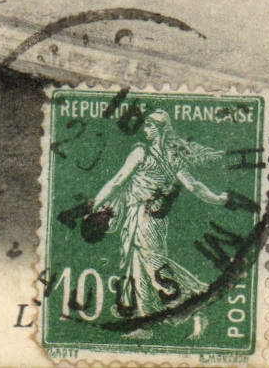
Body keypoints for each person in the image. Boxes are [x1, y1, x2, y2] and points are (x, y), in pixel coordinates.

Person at [89, 110, 228, 331]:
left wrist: (94, 204)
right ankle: (143, 323)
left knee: (154, 265)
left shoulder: (140, 152)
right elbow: (193, 186)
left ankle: (196, 301)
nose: (144, 131)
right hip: (146, 217)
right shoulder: (173, 158)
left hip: (144, 217)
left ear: (160, 130)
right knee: (138, 266)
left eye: (149, 127)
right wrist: (217, 198)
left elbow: (117, 181)